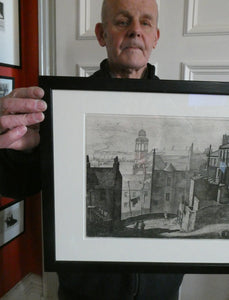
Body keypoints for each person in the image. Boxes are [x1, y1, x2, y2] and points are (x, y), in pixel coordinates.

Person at [0, 0, 184, 299]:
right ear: (102, 34)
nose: (136, 31)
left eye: (145, 23)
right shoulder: (64, 108)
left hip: (160, 289)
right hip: (86, 289)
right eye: (123, 21)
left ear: (156, 37)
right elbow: (16, 185)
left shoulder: (179, 107)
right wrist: (15, 147)